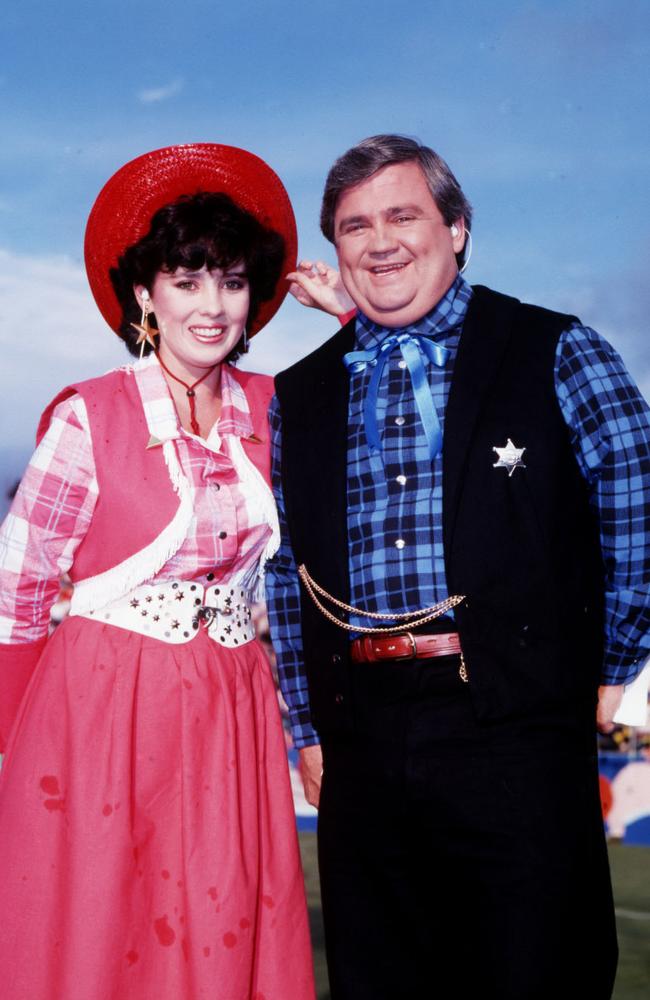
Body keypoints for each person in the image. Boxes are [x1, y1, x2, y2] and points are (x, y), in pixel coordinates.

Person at [265, 134, 650, 1000]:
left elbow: (638, 492)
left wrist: (613, 664)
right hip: (360, 741)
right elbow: (286, 570)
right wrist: (306, 723)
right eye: (354, 225)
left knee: (537, 971)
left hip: (512, 725)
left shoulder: (555, 347)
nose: (379, 241)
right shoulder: (303, 392)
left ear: (459, 229)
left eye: (404, 214)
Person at [0, 144, 315, 1000]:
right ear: (145, 295)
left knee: (216, 926)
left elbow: (373, 411)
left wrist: (350, 313)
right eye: (186, 281)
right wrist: (14, 747)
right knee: (104, 929)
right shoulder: (89, 416)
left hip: (231, 708)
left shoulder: (274, 409)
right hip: (101, 713)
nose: (212, 307)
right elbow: (17, 593)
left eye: (234, 282)